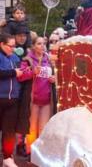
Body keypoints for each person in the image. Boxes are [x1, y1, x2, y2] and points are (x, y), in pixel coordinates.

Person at [18, 36, 55, 150]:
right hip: (33, 100)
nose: (42, 46)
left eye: (44, 43)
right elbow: (21, 76)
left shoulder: (49, 60)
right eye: (39, 43)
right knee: (32, 128)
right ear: (33, 46)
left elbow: (54, 75)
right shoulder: (27, 60)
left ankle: (40, 152)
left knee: (43, 128)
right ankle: (30, 151)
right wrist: (32, 72)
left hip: (47, 100)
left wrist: (54, 78)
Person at [0, 33, 23, 167]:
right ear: (2, 44)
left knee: (9, 132)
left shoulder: (15, 57)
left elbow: (21, 73)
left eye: (15, 46)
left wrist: (31, 71)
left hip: (13, 100)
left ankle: (7, 158)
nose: (13, 49)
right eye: (10, 46)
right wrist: (14, 73)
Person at [10, 24, 32, 158]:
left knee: (23, 118)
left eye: (24, 35)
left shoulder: (29, 51)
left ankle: (20, 145)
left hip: (26, 89)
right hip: (12, 89)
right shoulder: (9, 50)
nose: (22, 38)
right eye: (19, 35)